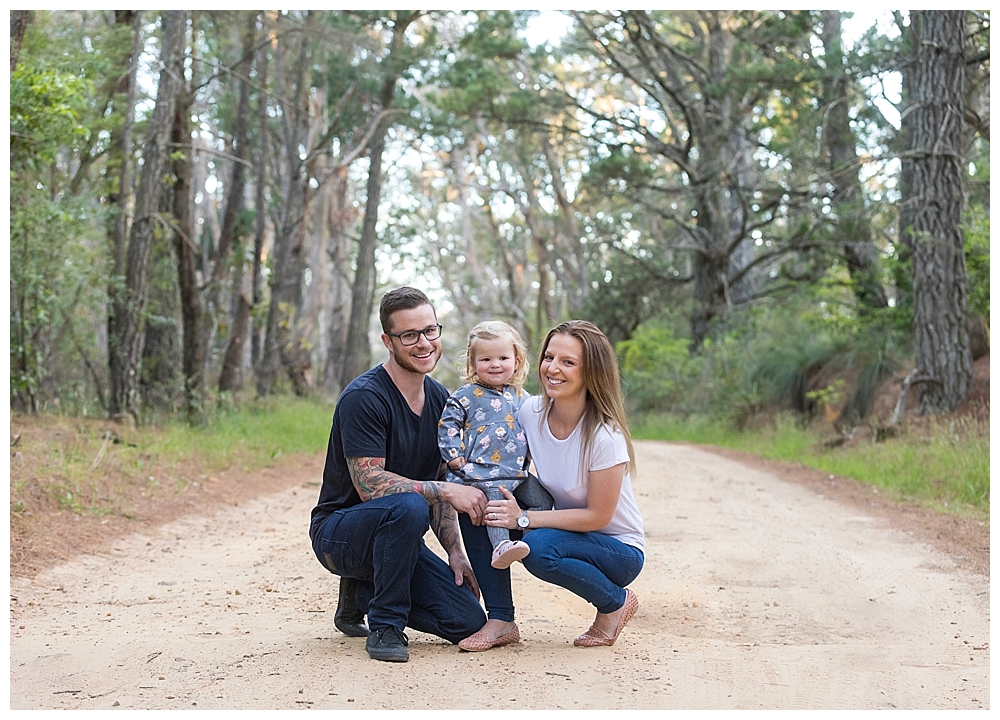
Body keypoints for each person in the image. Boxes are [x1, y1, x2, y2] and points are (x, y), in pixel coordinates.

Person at [309, 287, 488, 663]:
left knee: (468, 620)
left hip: (397, 541)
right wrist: (442, 490)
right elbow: (369, 483)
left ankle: (360, 594)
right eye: (409, 335)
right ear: (387, 341)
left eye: (430, 331)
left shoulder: (442, 400)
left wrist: (456, 552)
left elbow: (439, 487)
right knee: (407, 506)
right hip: (340, 535)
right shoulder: (365, 397)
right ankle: (386, 627)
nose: (423, 344)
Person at [484, 320, 644, 648]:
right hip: (572, 537)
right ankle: (497, 618)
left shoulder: (604, 435)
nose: (553, 368)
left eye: (568, 362)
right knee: (485, 502)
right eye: (549, 357)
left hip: (619, 551)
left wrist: (524, 519)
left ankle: (615, 604)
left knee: (539, 549)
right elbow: (503, 459)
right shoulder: (531, 412)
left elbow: (597, 517)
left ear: (591, 372)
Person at [439, 321, 532, 571]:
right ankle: (501, 546)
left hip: (518, 473)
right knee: (495, 503)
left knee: (542, 498)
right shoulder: (466, 395)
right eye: (486, 359)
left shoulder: (524, 398)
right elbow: (448, 423)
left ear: (517, 360)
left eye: (503, 357)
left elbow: (540, 427)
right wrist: (453, 455)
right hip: (485, 472)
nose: (495, 364)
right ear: (473, 363)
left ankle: (531, 540)